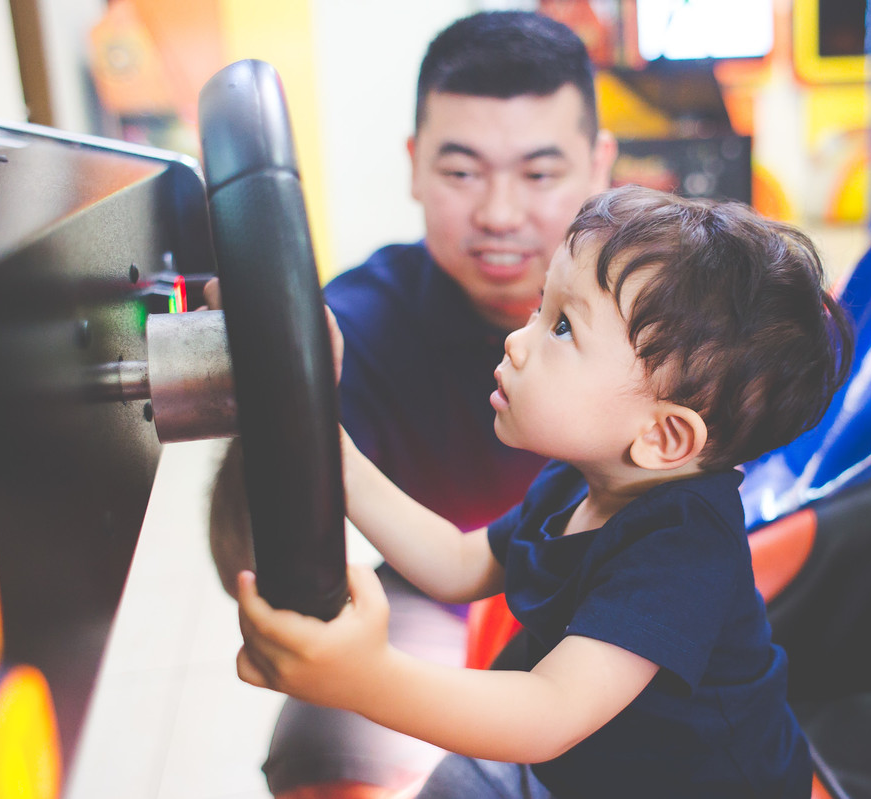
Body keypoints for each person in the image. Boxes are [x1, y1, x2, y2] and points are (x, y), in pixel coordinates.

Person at [233, 185, 856, 798]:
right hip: (576, 767)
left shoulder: (682, 552)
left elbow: (550, 711)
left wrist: (366, 679)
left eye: (561, 328)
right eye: (541, 307)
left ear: (663, 436)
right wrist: (331, 453)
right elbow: (457, 565)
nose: (518, 339)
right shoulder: (578, 478)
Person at [207, 10, 617, 798]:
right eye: (462, 172)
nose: (500, 214)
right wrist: (270, 399)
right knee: (328, 764)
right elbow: (254, 554)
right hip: (441, 592)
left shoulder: (668, 304)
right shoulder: (353, 326)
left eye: (539, 174)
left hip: (635, 591)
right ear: (414, 165)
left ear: (599, 163)